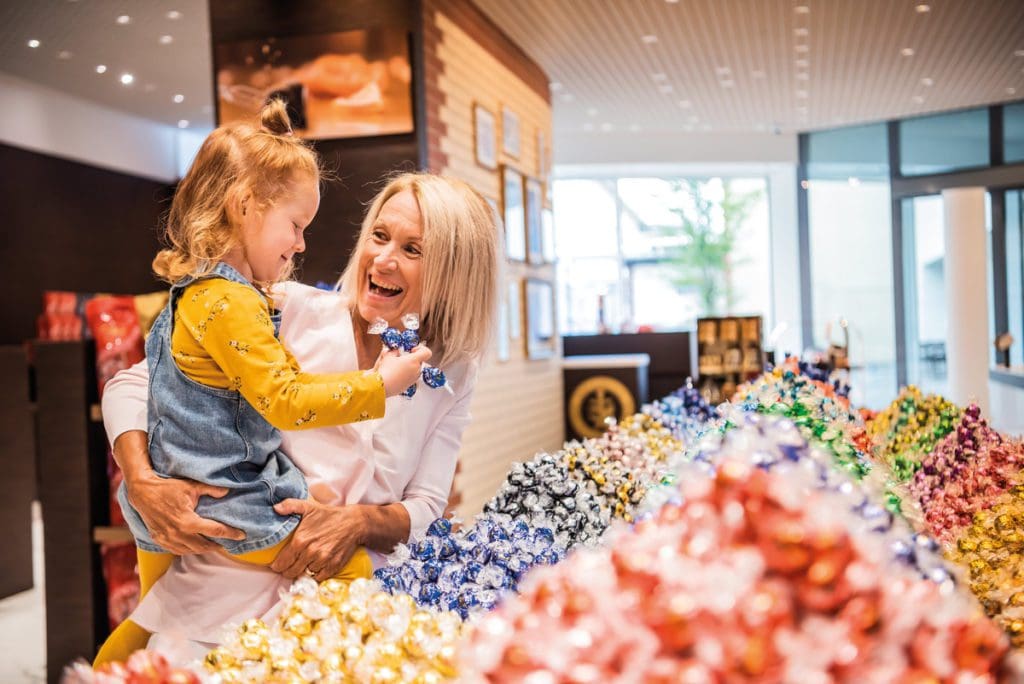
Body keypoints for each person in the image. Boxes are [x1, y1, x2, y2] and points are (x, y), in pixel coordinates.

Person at [97, 171, 499, 662]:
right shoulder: (283, 308)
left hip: (346, 624)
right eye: (379, 235)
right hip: (214, 606)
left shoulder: (453, 368)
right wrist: (140, 479)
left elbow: (427, 505)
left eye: (414, 250)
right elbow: (134, 385)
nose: (383, 259)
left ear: (457, 271)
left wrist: (358, 523)